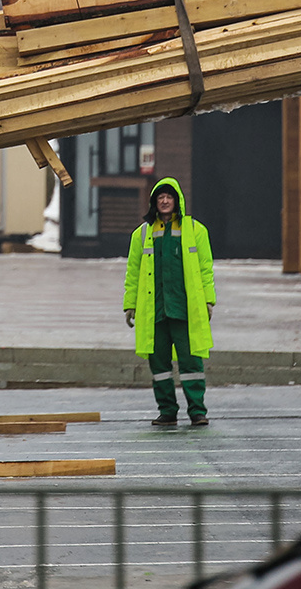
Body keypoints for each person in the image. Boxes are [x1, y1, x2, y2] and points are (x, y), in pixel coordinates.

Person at [122, 178, 215, 427]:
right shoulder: (141, 234)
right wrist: (130, 304)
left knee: (191, 361)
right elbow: (133, 273)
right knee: (159, 363)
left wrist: (208, 300)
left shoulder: (195, 230)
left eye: (169, 197)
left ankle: (197, 411)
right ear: (154, 202)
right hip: (155, 311)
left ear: (177, 201)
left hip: (184, 309)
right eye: (160, 197)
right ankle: (167, 410)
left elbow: (206, 269)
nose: (164, 201)